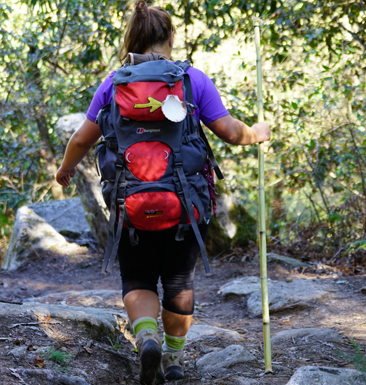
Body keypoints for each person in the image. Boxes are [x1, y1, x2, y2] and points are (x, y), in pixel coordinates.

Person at [55, 1, 270, 383]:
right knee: (178, 283)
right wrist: (257, 133)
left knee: (137, 280)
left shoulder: (114, 83)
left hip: (130, 204)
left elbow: (82, 138)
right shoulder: (192, 80)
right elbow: (229, 132)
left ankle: (147, 337)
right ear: (171, 37)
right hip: (185, 205)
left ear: (132, 40)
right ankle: (172, 359)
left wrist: (66, 169)